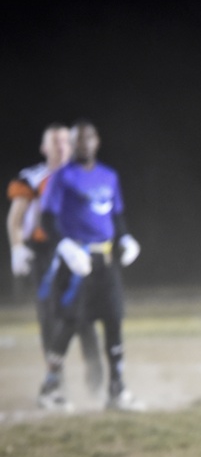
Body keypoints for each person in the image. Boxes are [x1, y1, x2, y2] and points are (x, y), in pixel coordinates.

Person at [36, 119, 143, 411]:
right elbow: (48, 218)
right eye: (76, 140)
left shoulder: (108, 176)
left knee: (114, 320)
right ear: (71, 145)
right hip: (77, 263)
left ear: (97, 142)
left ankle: (117, 390)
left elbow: (116, 215)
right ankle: (49, 388)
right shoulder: (62, 177)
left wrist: (126, 238)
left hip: (105, 261)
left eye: (88, 139)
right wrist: (66, 246)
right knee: (69, 323)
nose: (83, 145)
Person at [6, 123, 103, 395]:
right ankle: (56, 384)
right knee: (50, 316)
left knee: (86, 312)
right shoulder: (32, 177)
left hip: (78, 250)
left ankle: (97, 377)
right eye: (54, 142)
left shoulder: (83, 175)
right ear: (44, 147)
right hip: (46, 253)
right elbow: (15, 219)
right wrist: (17, 247)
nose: (61, 147)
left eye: (65, 142)